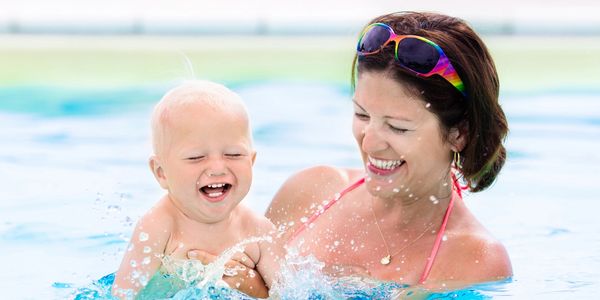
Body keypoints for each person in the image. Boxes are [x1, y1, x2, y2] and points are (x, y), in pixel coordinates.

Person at [264, 11, 512, 290]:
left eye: (397, 127)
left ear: (459, 134)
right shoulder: (310, 192)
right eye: (362, 115)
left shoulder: (474, 260)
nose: (369, 144)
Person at [111, 80, 282, 299]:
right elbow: (122, 295)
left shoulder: (259, 232)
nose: (218, 168)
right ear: (161, 172)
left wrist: (251, 286)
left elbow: (289, 294)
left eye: (233, 154)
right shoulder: (160, 226)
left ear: (252, 161)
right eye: (196, 157)